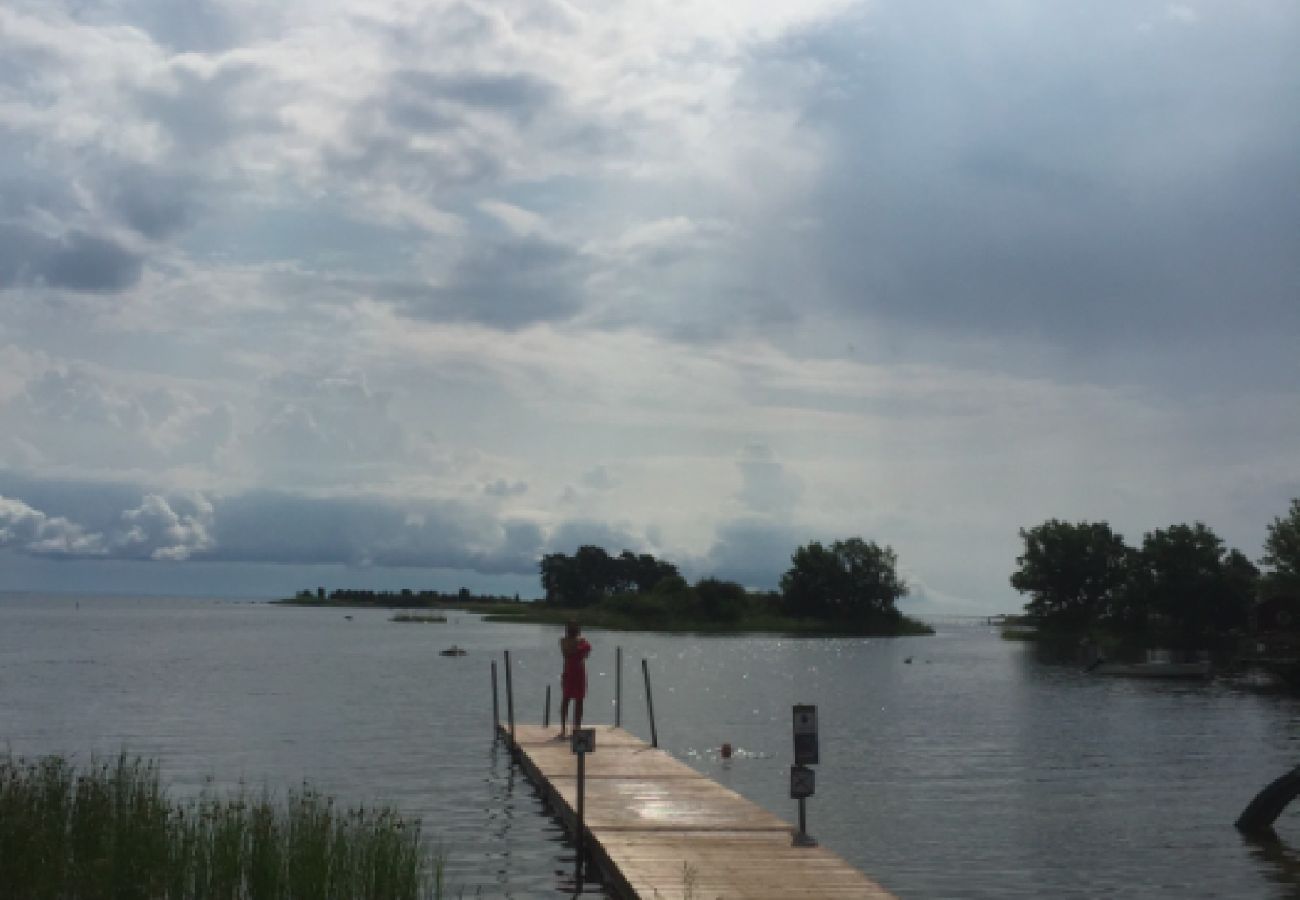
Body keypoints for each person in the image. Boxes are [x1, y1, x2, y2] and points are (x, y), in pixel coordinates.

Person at [558, 621, 591, 738]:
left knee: (579, 700)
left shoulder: (582, 641)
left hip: (580, 672)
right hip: (569, 671)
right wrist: (578, 648)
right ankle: (563, 728)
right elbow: (566, 653)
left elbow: (586, 654)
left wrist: (578, 648)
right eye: (571, 629)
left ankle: (577, 727)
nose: (572, 631)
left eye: (574, 629)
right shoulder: (564, 640)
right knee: (566, 699)